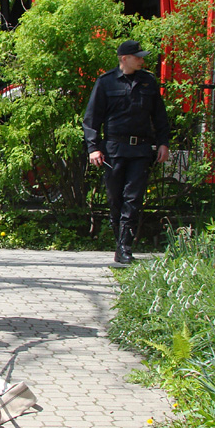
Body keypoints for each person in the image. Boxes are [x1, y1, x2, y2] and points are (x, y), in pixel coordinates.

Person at [82, 40, 170, 264]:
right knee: (115, 199)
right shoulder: (106, 82)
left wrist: (163, 143)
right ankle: (118, 243)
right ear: (124, 58)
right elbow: (92, 119)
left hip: (140, 150)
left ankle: (125, 247)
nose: (142, 60)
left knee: (133, 198)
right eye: (137, 56)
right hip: (114, 150)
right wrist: (93, 148)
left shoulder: (148, 82)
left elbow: (160, 116)